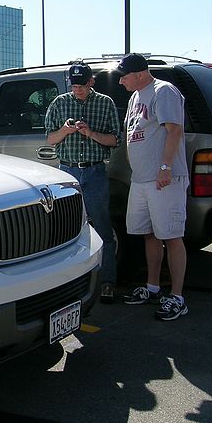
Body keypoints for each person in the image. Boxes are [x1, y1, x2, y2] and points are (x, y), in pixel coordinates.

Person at [116, 53, 189, 321]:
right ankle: (153, 287)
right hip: (141, 179)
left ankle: (177, 297)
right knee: (149, 235)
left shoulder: (163, 91)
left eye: (124, 76)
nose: (121, 81)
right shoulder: (135, 97)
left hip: (163, 180)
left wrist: (165, 167)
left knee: (172, 236)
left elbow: (174, 130)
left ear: (140, 74)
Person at [45, 62, 121, 303]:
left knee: (102, 227)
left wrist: (90, 133)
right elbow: (50, 139)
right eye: (74, 85)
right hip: (67, 173)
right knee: (64, 230)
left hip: (94, 171)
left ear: (91, 82)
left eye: (82, 85)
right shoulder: (59, 103)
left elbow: (115, 139)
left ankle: (107, 282)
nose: (77, 89)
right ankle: (63, 285)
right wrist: (65, 130)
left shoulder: (105, 103)